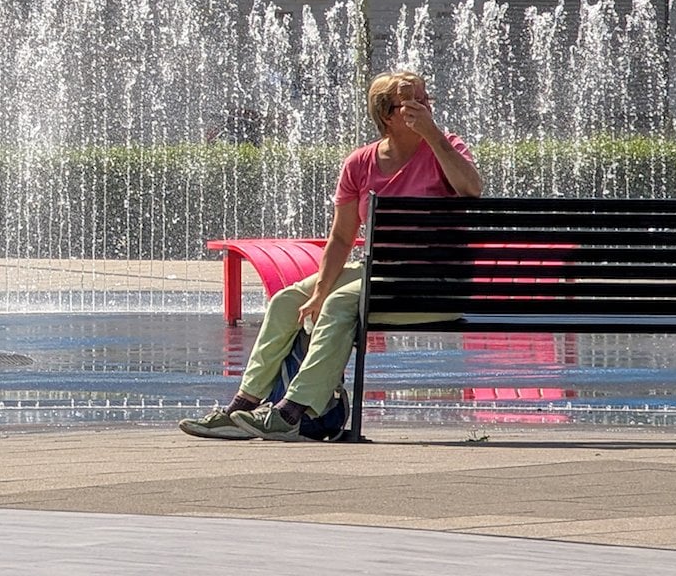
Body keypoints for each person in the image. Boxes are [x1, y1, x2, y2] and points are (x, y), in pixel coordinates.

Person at [179, 69, 483, 441]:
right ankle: (242, 408)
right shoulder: (360, 163)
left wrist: (433, 136)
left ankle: (292, 412)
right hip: (379, 271)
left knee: (341, 303)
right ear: (389, 115)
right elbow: (341, 238)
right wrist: (318, 292)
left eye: (426, 100)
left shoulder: (445, 147)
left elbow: (472, 188)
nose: (426, 107)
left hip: (434, 281)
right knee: (289, 301)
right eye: (415, 101)